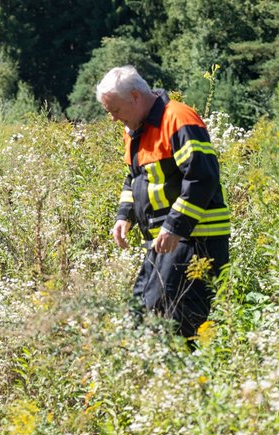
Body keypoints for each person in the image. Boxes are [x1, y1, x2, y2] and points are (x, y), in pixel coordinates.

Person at [96, 66, 230, 340]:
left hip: (194, 240)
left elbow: (202, 177)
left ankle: (191, 368)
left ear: (135, 97)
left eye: (115, 110)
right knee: (141, 315)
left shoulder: (178, 118)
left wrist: (175, 226)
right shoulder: (134, 130)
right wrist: (124, 216)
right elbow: (135, 177)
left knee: (175, 322)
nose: (113, 118)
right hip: (164, 242)